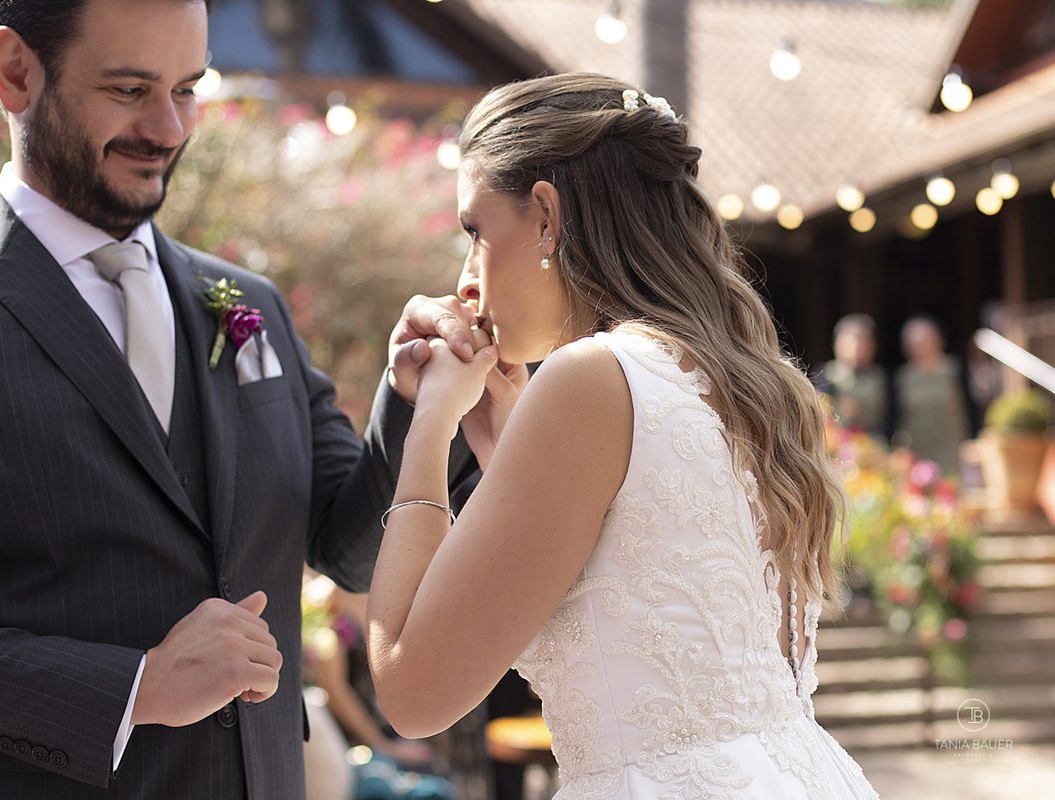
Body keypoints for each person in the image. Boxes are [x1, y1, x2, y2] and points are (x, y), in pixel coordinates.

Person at [0, 1, 483, 797]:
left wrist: (423, 404)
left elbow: (348, 546)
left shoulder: (245, 304)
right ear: (15, 71)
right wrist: (132, 689)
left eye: (188, 88)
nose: (169, 128)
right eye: (128, 89)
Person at [366, 74, 880, 800]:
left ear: (546, 217)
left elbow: (410, 691)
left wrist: (429, 427)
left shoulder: (589, 379)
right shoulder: (747, 383)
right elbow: (621, 580)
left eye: (475, 232)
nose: (467, 280)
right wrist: (502, 435)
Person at [894, 315, 977, 476]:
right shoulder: (902, 377)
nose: (920, 348)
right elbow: (897, 416)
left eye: (924, 342)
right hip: (916, 450)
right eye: (914, 344)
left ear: (938, 341)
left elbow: (971, 407)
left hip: (951, 448)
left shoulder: (955, 370)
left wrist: (973, 440)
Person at [816, 313, 890, 439]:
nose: (858, 348)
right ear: (838, 344)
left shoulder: (881, 378)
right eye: (853, 342)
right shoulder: (826, 375)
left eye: (864, 342)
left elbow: (890, 419)